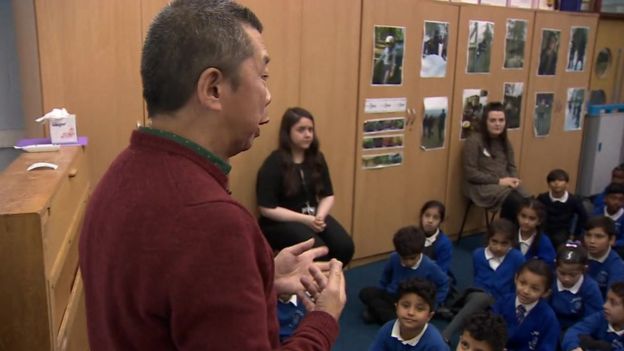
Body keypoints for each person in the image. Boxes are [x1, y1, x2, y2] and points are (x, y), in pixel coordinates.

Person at [79, 1, 346, 350]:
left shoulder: (120, 174)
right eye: (262, 76)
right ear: (214, 89)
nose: (268, 95)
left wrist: (260, 277)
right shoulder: (211, 222)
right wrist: (322, 322)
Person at [256, 107, 354, 265]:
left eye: (310, 129)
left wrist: (320, 216)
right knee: (319, 251)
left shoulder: (317, 158)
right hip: (280, 222)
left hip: (313, 216)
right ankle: (313, 286)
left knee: (344, 247)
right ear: (287, 132)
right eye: (301, 130)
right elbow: (267, 208)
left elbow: (327, 195)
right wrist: (306, 220)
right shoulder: (274, 163)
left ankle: (328, 281)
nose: (308, 134)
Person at [442, 218, 525, 342]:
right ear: (488, 240)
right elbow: (477, 280)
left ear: (511, 243)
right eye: (494, 242)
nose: (498, 247)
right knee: (481, 298)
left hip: (502, 300)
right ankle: (446, 335)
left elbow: (516, 285)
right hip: (478, 295)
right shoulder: (478, 254)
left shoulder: (517, 258)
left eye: (504, 243)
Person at [359, 226, 449, 325]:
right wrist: (382, 289)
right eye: (403, 258)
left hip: (411, 303)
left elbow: (444, 283)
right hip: (392, 296)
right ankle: (393, 319)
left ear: (420, 252)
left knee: (371, 313)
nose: (407, 262)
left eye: (412, 258)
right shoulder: (394, 258)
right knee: (365, 293)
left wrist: (434, 305)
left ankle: (389, 319)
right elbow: (386, 274)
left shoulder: (429, 266)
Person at [462, 102, 530, 224]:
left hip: (506, 183)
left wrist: (514, 179)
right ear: (485, 122)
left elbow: (511, 165)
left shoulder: (505, 141)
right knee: (516, 203)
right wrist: (499, 181)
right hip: (481, 186)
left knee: (531, 204)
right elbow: (471, 174)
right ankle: (505, 234)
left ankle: (524, 238)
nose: (497, 124)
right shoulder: (473, 141)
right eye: (493, 120)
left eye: (501, 120)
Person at [492, 259, 560, 351]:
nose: (526, 291)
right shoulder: (502, 303)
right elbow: (488, 333)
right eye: (522, 283)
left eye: (534, 288)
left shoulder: (548, 318)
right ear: (516, 278)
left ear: (546, 293)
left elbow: (547, 348)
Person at [368, 278, 450, 351]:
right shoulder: (387, 329)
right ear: (396, 307)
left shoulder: (436, 345)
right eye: (405, 306)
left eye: (420, 309)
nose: (411, 312)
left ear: (429, 316)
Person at [549, 241, 603, 332]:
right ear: (555, 267)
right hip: (551, 326)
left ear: (583, 270)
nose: (566, 279)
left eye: (572, 275)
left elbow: (593, 320)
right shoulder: (550, 280)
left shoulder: (590, 287)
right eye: (562, 273)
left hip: (578, 330)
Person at [561, 281, 624, 351]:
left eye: (613, 303)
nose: (605, 306)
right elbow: (574, 331)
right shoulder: (601, 317)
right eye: (606, 300)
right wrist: (574, 348)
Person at [537, 168, 588, 248]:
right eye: (553, 181)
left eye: (560, 180)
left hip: (563, 231)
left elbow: (584, 217)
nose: (556, 183)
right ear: (548, 184)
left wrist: (576, 234)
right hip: (545, 229)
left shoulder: (574, 200)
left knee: (559, 241)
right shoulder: (542, 198)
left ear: (567, 184)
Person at [585, 216, 624, 298]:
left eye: (599, 236)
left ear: (611, 240)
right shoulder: (579, 256)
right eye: (588, 235)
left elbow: (613, 303)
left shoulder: (617, 266)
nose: (592, 241)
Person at [514, 198, 556, 267]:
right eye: (523, 216)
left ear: (539, 221)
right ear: (517, 215)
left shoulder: (544, 242)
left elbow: (548, 267)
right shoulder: (509, 236)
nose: (526, 222)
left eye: (532, 218)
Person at [419, 200, 453, 275]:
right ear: (421, 216)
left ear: (441, 221)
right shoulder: (412, 235)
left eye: (436, 218)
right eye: (427, 215)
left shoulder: (444, 243)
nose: (430, 221)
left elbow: (441, 271)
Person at [592, 183, 624, 257]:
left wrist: (614, 243)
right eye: (613, 198)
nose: (617, 202)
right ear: (605, 199)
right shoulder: (596, 213)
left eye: (621, 199)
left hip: (617, 249)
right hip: (596, 245)